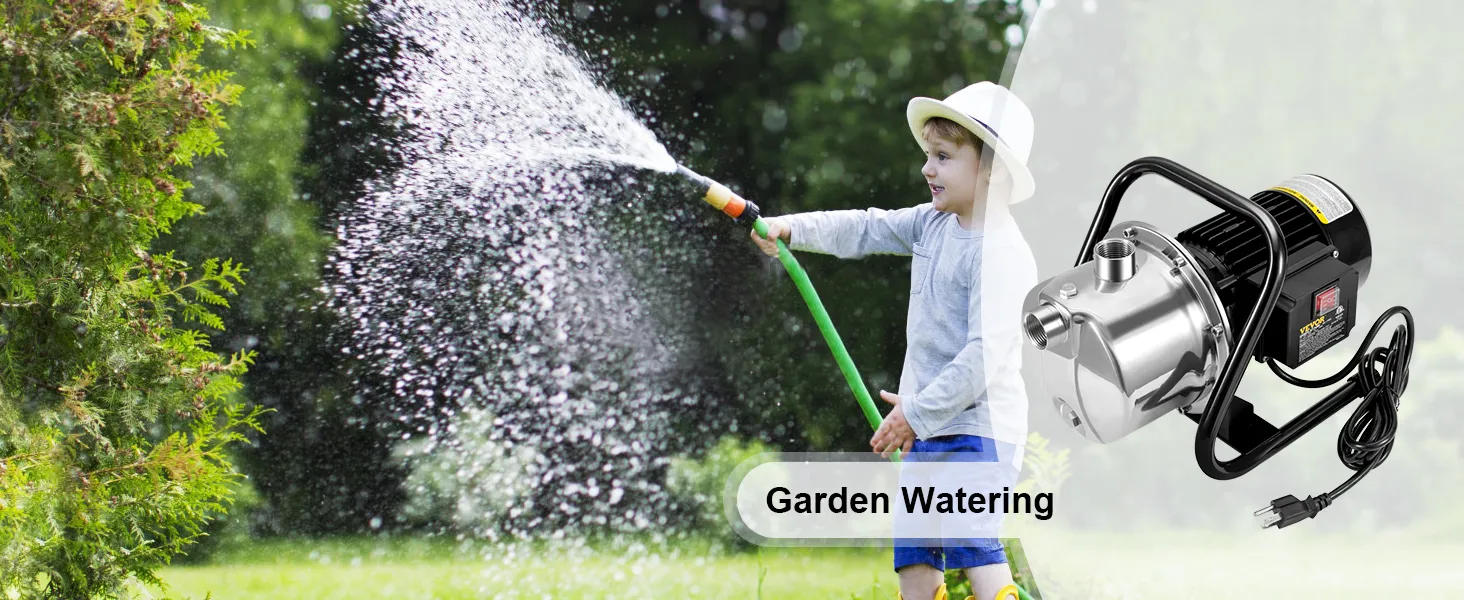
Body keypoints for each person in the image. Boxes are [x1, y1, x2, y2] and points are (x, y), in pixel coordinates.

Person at [750, 81, 1039, 600]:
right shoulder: (933, 224)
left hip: (979, 430)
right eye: (929, 155)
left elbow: (985, 356)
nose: (928, 169)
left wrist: (915, 414)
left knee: (973, 545)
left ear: (992, 169)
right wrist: (790, 228)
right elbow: (866, 229)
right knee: (915, 558)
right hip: (928, 425)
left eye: (944, 157)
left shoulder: (1002, 253)